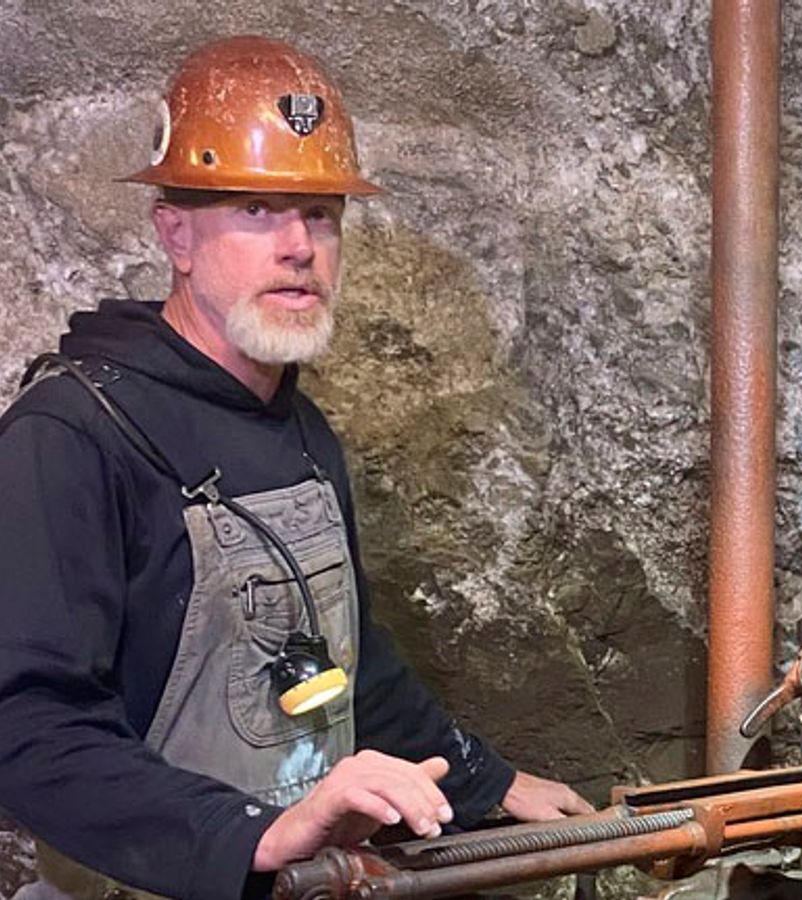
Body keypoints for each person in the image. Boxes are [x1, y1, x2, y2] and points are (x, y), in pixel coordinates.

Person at [0, 36, 591, 900]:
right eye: (254, 209)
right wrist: (256, 837)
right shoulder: (72, 435)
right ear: (176, 233)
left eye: (319, 213)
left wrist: (484, 781)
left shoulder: (300, 428)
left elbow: (341, 662)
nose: (298, 245)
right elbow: (25, 725)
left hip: (313, 880)